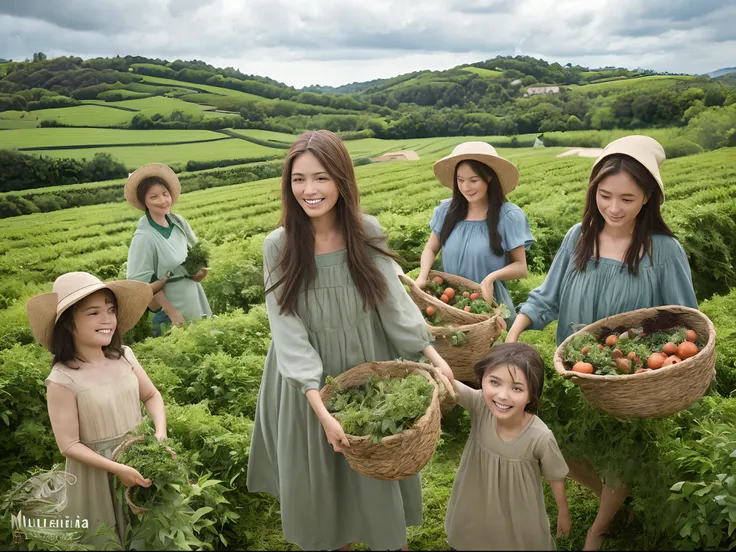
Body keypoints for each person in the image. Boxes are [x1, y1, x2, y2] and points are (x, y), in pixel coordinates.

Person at [246, 130, 454, 551]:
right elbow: (287, 328)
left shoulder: (365, 230)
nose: (309, 190)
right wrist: (320, 406)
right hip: (309, 381)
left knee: (377, 464)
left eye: (321, 178)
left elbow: (393, 301)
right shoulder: (279, 245)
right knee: (325, 491)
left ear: (341, 179)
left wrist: (432, 355)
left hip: (369, 364)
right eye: (299, 179)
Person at [505, 135, 698, 550]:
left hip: (630, 375)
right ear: (594, 193)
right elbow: (547, 296)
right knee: (562, 445)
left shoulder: (662, 250)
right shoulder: (579, 236)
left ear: (648, 198)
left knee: (622, 450)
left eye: (627, 199)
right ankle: (611, 499)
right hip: (577, 368)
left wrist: (643, 346)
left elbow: (684, 320)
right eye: (605, 196)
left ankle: (601, 525)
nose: (613, 208)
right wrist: (515, 330)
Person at [25, 272, 168, 547]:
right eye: (94, 312)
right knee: (106, 537)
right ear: (68, 323)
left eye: (111, 310)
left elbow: (151, 395)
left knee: (148, 529)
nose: (107, 320)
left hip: (137, 456)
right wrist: (117, 468)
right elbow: (69, 445)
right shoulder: (63, 378)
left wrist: (159, 435)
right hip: (96, 473)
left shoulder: (124, 355)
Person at [443, 342, 570, 550]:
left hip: (517, 514)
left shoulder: (540, 437)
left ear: (531, 395)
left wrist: (563, 513)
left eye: (516, 388)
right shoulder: (479, 405)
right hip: (474, 503)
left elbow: (555, 476)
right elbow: (446, 381)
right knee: (469, 537)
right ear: (481, 379)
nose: (502, 395)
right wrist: (427, 348)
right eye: (494, 382)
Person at [415, 142, 535, 326]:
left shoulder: (508, 216)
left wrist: (490, 279)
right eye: (460, 180)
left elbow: (521, 267)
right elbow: (431, 248)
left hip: (489, 306)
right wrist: (422, 277)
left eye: (473, 180)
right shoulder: (446, 211)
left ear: (489, 178)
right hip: (451, 301)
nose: (466, 187)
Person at [125, 163, 211, 337]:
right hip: (171, 305)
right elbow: (142, 284)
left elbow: (196, 252)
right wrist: (172, 312)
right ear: (144, 202)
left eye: (165, 194)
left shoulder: (178, 222)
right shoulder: (144, 237)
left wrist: (200, 272)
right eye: (154, 197)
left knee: (204, 340)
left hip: (193, 294)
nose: (163, 201)